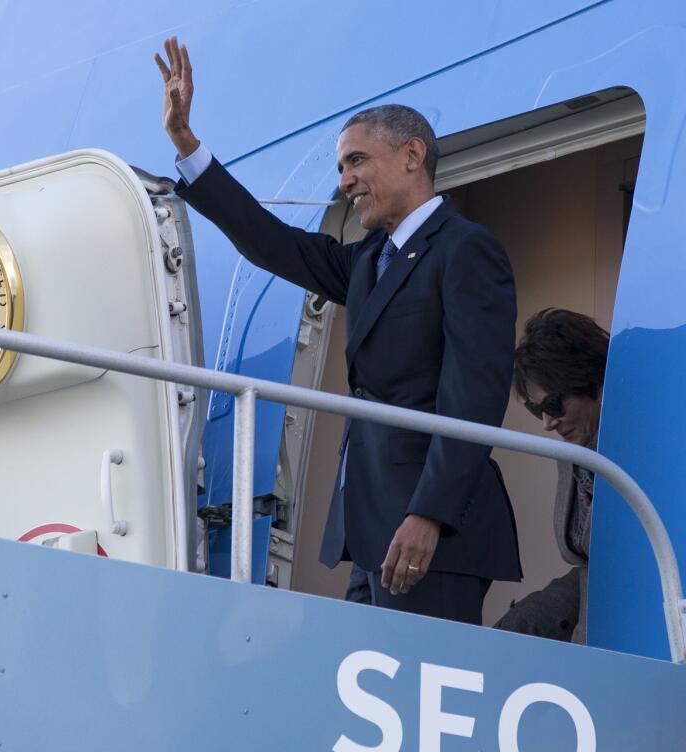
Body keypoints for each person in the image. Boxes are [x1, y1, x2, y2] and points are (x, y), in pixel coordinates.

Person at [155, 38, 521, 624]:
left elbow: (473, 394)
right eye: (340, 167)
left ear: (411, 154)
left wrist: (430, 513)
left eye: (357, 161)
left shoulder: (465, 250)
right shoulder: (370, 259)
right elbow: (272, 243)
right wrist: (188, 148)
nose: (345, 180)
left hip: (433, 530)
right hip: (372, 529)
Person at [494, 308, 609, 643]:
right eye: (536, 409)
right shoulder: (573, 450)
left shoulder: (641, 449)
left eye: (554, 405)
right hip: (592, 598)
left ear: (593, 384)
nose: (547, 422)